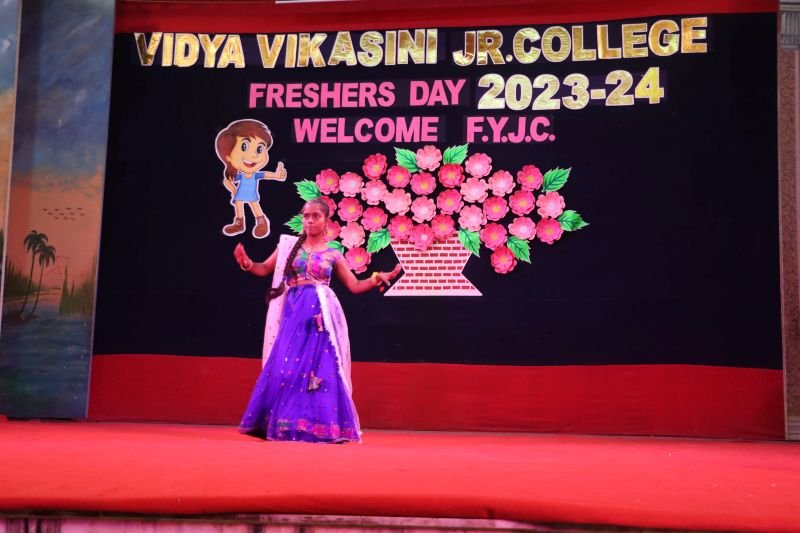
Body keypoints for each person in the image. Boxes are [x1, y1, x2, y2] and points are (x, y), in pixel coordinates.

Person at [233, 198, 401, 443]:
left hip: (320, 318)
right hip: (293, 315)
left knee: (321, 371)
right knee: (286, 368)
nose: (310, 220)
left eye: (315, 216)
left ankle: (321, 428)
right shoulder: (289, 247)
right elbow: (263, 268)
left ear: (326, 221)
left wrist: (377, 278)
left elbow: (354, 285)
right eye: (306, 216)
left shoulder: (333, 253)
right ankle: (282, 425)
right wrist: (247, 263)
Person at [215, 119, 288, 239]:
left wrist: (277, 175)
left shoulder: (255, 175)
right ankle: (239, 223)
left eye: (260, 149)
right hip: (240, 194)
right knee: (239, 204)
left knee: (254, 205)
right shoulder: (241, 176)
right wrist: (233, 189)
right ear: (228, 156)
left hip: (252, 194)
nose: (254, 155)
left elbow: (265, 174)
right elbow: (227, 181)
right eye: (244, 147)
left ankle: (261, 222)